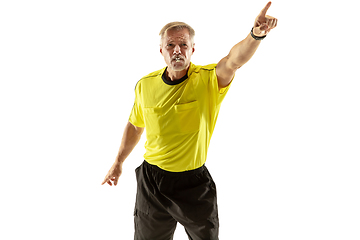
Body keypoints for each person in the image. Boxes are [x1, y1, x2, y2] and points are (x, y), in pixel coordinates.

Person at [102, 2, 278, 239]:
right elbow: (135, 125)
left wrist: (255, 35)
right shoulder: (146, 85)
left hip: (193, 184)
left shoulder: (208, 80)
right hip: (152, 183)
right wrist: (118, 161)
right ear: (161, 51)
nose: (177, 50)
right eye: (171, 45)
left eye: (183, 44)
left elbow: (233, 60)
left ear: (192, 50)